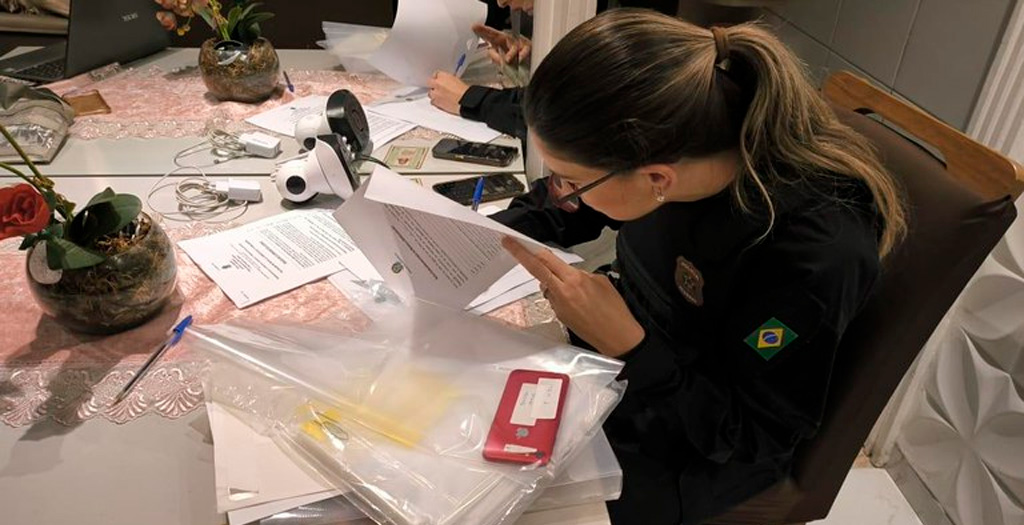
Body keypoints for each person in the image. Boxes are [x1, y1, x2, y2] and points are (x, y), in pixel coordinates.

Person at [492, 9, 906, 525]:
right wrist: (473, 236)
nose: (561, 192)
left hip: (697, 449)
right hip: (637, 366)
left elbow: (749, 435)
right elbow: (572, 206)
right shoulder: (687, 145)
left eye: (571, 180)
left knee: (498, 501)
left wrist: (630, 346)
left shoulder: (809, 256)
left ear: (657, 180)